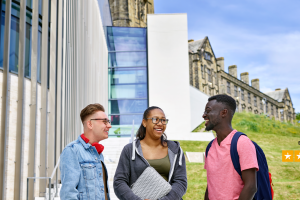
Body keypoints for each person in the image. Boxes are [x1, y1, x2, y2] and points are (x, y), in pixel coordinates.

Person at [113, 106, 187, 200]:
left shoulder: (175, 149)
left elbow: (181, 182)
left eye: (163, 120)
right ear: (144, 122)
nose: (160, 123)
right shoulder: (129, 150)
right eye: (155, 119)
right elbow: (119, 182)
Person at [203, 95, 258, 200]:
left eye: (208, 111)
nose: (204, 115)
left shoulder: (242, 142)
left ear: (224, 112)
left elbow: (251, 187)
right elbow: (211, 185)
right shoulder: (210, 147)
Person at [60, 103, 111, 200]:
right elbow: (68, 194)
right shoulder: (72, 150)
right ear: (90, 124)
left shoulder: (98, 154)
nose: (109, 126)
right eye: (105, 122)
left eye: (108, 122)